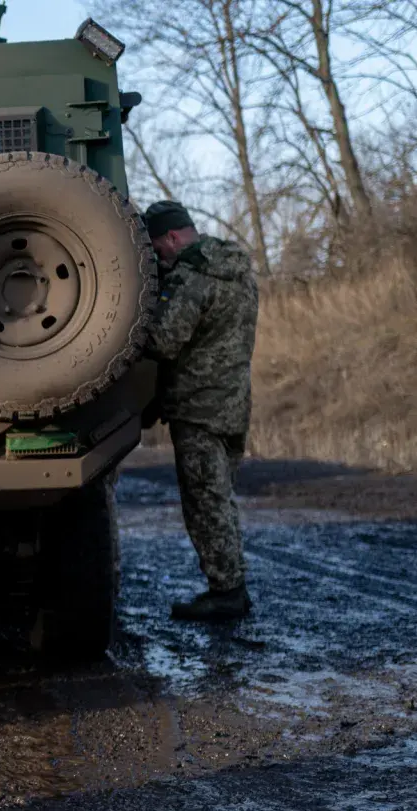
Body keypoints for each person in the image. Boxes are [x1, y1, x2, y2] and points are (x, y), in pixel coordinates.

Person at [143, 200, 259, 622]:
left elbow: (163, 340)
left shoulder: (192, 277)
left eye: (158, 248)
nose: (160, 257)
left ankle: (227, 592)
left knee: (204, 503)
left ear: (173, 237)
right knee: (221, 498)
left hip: (197, 407)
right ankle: (233, 585)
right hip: (232, 404)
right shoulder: (238, 270)